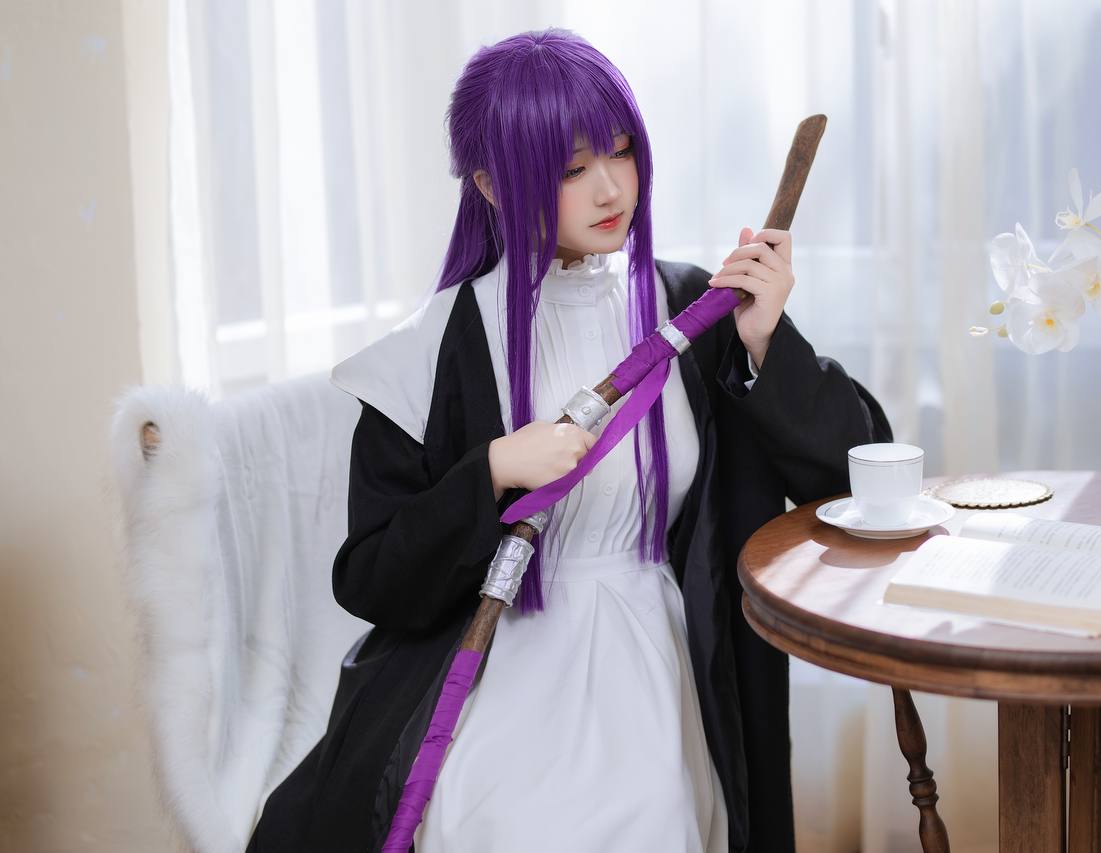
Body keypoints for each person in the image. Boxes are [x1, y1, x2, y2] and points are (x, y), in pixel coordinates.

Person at [246, 27, 891, 853]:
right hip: (491, 674)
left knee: (646, 817)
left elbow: (859, 476)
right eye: (569, 169)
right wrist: (488, 471)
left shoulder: (694, 313)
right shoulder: (432, 350)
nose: (610, 187)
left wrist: (768, 343)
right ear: (490, 184)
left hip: (659, 662)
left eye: (620, 152)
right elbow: (374, 575)